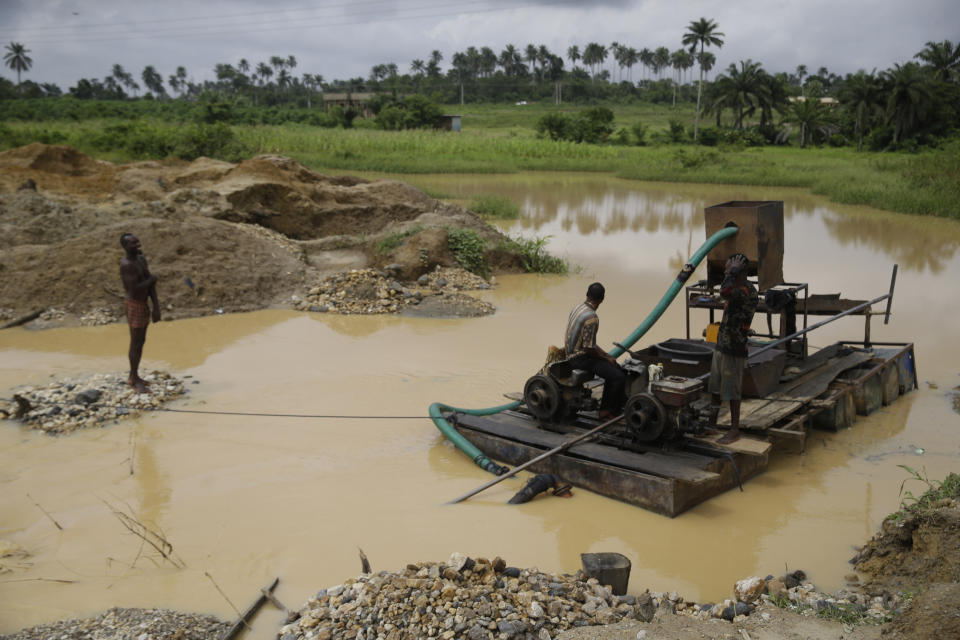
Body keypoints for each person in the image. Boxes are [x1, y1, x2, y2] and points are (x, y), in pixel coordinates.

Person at [707, 253, 758, 444]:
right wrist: (732, 272)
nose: (726, 271)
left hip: (734, 348)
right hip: (722, 345)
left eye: (729, 268)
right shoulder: (738, 287)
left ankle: (734, 430)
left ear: (739, 270)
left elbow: (724, 292)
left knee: (732, 391)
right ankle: (711, 425)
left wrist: (734, 271)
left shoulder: (746, 291)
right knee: (715, 389)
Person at [564, 282, 625, 420]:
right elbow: (588, 348)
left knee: (615, 367)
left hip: (572, 353)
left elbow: (589, 343)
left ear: (587, 294)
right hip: (579, 358)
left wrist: (606, 355)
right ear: (602, 299)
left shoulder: (578, 308)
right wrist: (606, 359)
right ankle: (606, 411)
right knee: (618, 376)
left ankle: (612, 406)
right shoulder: (592, 318)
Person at [119, 233, 160, 393]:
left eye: (137, 241)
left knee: (141, 341)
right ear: (125, 247)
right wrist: (152, 279)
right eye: (132, 243)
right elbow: (133, 288)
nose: (137, 245)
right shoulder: (126, 264)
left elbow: (151, 286)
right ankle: (133, 378)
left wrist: (156, 307)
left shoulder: (141, 259)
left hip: (143, 304)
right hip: (134, 305)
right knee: (135, 342)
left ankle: (134, 375)